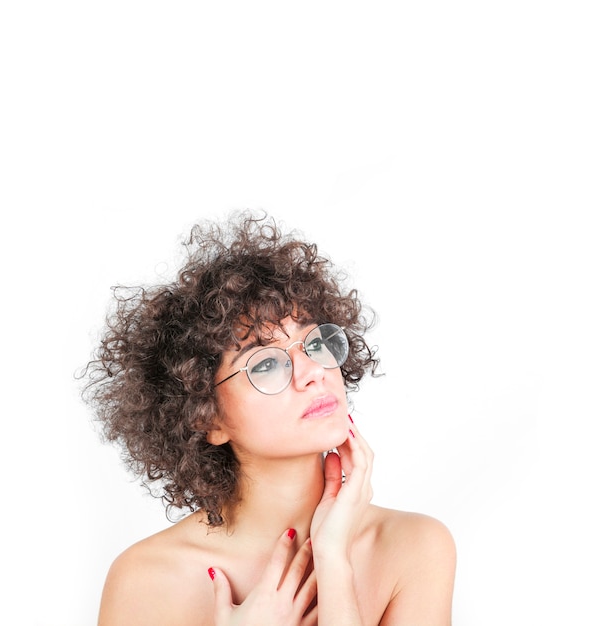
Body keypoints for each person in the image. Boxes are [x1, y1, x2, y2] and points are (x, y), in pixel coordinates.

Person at [81, 210, 456, 626]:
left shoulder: (416, 547)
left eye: (314, 342)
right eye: (264, 364)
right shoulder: (146, 580)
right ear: (207, 417)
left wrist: (333, 563)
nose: (313, 372)